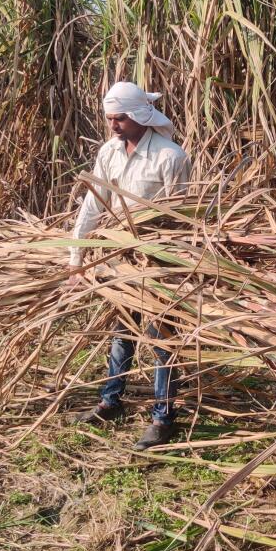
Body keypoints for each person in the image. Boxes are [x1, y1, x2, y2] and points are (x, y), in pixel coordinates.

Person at [65, 81, 191, 449]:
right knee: (121, 334)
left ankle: (163, 418)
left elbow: (183, 220)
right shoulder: (109, 153)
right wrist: (77, 258)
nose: (113, 125)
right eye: (109, 118)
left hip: (158, 265)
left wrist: (169, 266)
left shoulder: (171, 156)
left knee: (161, 339)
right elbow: (92, 206)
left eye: (119, 118)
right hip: (119, 262)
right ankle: (110, 400)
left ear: (139, 115)